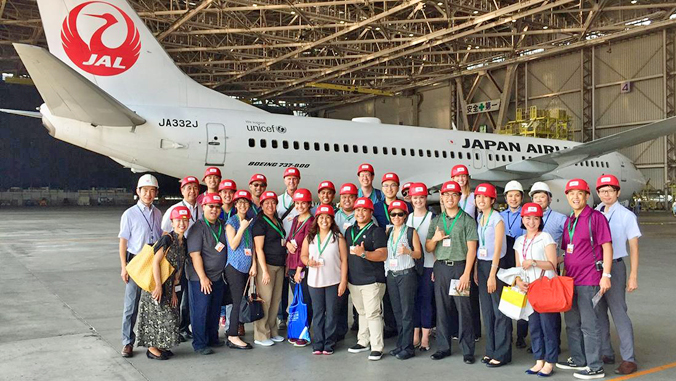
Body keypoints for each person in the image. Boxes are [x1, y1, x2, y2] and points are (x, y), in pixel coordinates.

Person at [556, 179, 613, 380]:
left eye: (580, 193)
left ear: (587, 196)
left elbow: (607, 247)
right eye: (571, 193)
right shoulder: (570, 220)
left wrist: (605, 275)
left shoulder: (596, 218)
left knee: (590, 324)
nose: (575, 197)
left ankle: (595, 366)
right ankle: (578, 359)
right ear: (567, 197)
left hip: (589, 280)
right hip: (570, 280)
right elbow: (568, 251)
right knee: (572, 322)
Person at [426, 181, 478, 364]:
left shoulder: (467, 220)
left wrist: (466, 274)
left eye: (454, 195)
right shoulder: (436, 220)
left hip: (459, 269)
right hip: (441, 268)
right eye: (446, 195)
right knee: (442, 309)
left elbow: (472, 249)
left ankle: (468, 350)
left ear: (459, 197)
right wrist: (436, 238)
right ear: (442, 197)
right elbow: (428, 246)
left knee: (463, 310)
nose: (450, 198)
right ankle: (443, 347)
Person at [595, 175, 640, 375]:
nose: (606, 194)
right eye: (602, 191)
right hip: (595, 268)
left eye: (610, 190)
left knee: (619, 312)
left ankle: (629, 359)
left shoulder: (626, 215)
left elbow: (634, 248)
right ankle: (606, 352)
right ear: (597, 193)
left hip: (615, 267)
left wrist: (633, 276)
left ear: (617, 192)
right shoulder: (595, 212)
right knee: (599, 311)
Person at [136, 206, 191, 360]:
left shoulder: (183, 243)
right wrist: (159, 286)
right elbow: (155, 262)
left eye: (185, 220)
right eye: (178, 220)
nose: (182, 223)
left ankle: (160, 345)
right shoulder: (167, 239)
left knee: (169, 315)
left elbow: (176, 270)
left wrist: (173, 291)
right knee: (154, 316)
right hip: (157, 283)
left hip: (169, 285)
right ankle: (152, 348)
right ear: (172, 223)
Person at [118, 174, 163, 358]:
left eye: (152, 191)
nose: (148, 194)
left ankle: (152, 341)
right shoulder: (129, 214)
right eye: (145, 190)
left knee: (153, 305)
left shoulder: (158, 213)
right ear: (138, 192)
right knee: (131, 305)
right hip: (136, 262)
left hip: (153, 262)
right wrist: (124, 266)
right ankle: (127, 342)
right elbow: (123, 242)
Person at [514, 203, 559, 377]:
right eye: (527, 218)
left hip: (546, 287)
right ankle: (539, 359)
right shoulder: (519, 241)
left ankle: (550, 361)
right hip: (529, 289)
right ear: (522, 219)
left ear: (540, 220)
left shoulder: (546, 237)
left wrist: (533, 262)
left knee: (548, 326)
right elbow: (518, 267)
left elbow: (552, 264)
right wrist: (518, 281)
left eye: (535, 218)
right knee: (534, 326)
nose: (531, 222)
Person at [300, 205, 348, 355]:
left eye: (327, 217)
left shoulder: (338, 237)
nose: (324, 220)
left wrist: (343, 281)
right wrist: (308, 262)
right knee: (318, 313)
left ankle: (329, 343)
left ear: (332, 220)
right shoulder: (310, 237)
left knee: (332, 313)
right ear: (317, 220)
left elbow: (344, 260)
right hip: (315, 281)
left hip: (333, 281)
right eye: (321, 217)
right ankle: (318, 343)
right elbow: (303, 256)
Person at [346, 197, 388, 361]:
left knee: (373, 314)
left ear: (371, 212)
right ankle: (363, 341)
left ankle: (377, 346)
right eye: (357, 210)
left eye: (364, 210)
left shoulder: (376, 231)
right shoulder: (349, 231)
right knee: (362, 312)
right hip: (354, 279)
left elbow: (383, 254)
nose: (360, 213)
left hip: (372, 280)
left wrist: (364, 254)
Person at [474, 183, 512, 367]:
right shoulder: (480, 217)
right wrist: (475, 269)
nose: (480, 200)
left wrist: (492, 274)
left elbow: (498, 248)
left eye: (484, 197)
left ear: (492, 200)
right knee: (487, 311)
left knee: (499, 310)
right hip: (481, 265)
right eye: (478, 197)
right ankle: (491, 350)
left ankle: (503, 353)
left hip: (494, 266)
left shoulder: (497, 219)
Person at [160, 175, 201, 342]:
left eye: (195, 188)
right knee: (177, 293)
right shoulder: (174, 209)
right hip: (177, 258)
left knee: (190, 295)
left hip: (195, 258)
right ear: (182, 190)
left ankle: (185, 327)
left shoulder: (201, 208)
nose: (192, 191)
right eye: (188, 188)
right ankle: (176, 328)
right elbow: (164, 233)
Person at [186, 193, 227, 355]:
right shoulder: (198, 227)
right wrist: (203, 277)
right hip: (200, 278)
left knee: (214, 309)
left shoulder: (222, 225)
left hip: (217, 277)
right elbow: (195, 255)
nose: (214, 210)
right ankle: (199, 343)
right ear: (204, 207)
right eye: (211, 206)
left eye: (217, 207)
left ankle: (212, 338)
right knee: (200, 310)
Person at [385, 200, 422, 360]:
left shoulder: (410, 232)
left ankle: (408, 347)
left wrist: (408, 251)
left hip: (406, 275)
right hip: (392, 275)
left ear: (405, 215)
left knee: (407, 312)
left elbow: (419, 254)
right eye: (393, 214)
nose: (397, 217)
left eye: (400, 214)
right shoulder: (388, 232)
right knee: (397, 312)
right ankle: (401, 344)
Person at [252, 191, 287, 347]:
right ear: (261, 205)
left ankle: (272, 331)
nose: (270, 205)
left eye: (273, 202)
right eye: (267, 203)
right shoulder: (260, 222)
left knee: (275, 300)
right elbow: (259, 248)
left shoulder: (278, 221)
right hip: (267, 266)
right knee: (265, 300)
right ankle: (260, 334)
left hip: (279, 265)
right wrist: (264, 270)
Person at [451, 164, 481, 341]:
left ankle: (474, 331)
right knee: (456, 291)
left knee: (471, 293)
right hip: (456, 247)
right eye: (457, 176)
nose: (461, 179)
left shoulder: (473, 198)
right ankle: (457, 329)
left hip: (471, 245)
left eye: (463, 176)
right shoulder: (450, 197)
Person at [372, 172, 403, 338]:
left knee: (403, 293)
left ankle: (404, 326)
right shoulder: (376, 208)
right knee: (388, 292)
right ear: (382, 189)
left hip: (402, 253)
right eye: (385, 185)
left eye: (392, 185)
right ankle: (391, 326)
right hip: (384, 253)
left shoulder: (407, 206)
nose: (389, 189)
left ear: (397, 187)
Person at [223, 190, 255, 350]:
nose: (243, 205)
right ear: (235, 205)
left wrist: (254, 264)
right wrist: (241, 228)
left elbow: (251, 246)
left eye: (246, 202)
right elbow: (234, 245)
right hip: (234, 268)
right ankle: (232, 335)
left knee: (239, 301)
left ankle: (232, 330)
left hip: (245, 268)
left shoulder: (248, 223)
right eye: (239, 202)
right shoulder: (232, 222)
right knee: (236, 302)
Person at [406, 183, 435, 352]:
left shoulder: (433, 217)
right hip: (411, 266)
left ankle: (425, 336)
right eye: (415, 198)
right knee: (414, 300)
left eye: (421, 197)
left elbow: (437, 245)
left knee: (426, 301)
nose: (418, 201)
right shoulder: (407, 218)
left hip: (429, 265)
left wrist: (436, 267)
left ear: (426, 198)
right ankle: (415, 334)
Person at [500, 180, 528, 348]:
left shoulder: (526, 215)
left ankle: (521, 335)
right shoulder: (500, 216)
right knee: (507, 294)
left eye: (517, 195)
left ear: (521, 197)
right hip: (505, 256)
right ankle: (507, 332)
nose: (513, 199)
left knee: (522, 295)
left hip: (521, 256)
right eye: (510, 195)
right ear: (506, 197)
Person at [285, 188, 315, 347]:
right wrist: (288, 244)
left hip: (301, 267)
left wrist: (299, 270)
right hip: (291, 264)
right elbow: (291, 237)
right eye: (297, 203)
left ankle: (305, 333)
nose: (300, 206)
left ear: (309, 204)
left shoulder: (311, 222)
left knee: (305, 301)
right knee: (297, 299)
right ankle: (298, 330)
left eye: (303, 203)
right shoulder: (296, 219)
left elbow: (308, 248)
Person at [277, 167, 301, 329]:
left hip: (297, 251)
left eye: (294, 179)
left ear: (298, 181)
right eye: (288, 178)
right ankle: (281, 317)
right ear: (284, 180)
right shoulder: (278, 201)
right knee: (281, 285)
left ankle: (298, 317)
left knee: (296, 284)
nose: (291, 181)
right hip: (281, 248)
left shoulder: (303, 199)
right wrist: (284, 242)